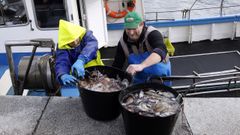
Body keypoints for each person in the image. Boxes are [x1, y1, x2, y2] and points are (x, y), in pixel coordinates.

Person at [112, 11, 172, 86]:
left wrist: (141, 66)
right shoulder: (122, 43)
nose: (131, 33)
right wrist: (109, 80)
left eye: (134, 28)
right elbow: (117, 66)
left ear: (142, 25)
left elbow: (161, 50)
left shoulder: (152, 34)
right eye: (128, 28)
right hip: (139, 83)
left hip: (161, 80)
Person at [55, 19, 103, 86]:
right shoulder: (62, 46)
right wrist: (62, 74)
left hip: (96, 69)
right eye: (71, 41)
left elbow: (92, 45)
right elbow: (62, 61)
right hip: (78, 74)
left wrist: (81, 60)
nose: (75, 42)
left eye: (75, 38)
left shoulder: (86, 34)